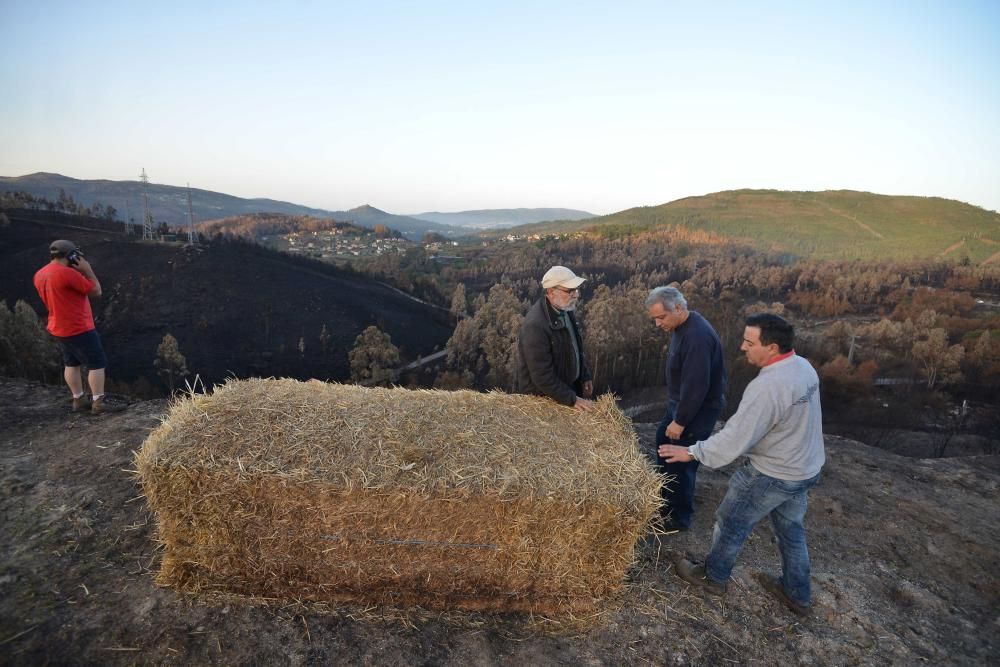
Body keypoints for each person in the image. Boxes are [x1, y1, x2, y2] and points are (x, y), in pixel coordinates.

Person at [659, 313, 824, 616]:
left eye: (750, 342)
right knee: (791, 530)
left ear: (772, 347)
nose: (742, 347)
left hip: (774, 472)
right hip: (805, 468)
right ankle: (797, 593)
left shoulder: (769, 386)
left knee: (732, 521)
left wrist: (692, 452)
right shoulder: (803, 366)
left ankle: (713, 576)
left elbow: (736, 438)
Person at [646, 286, 727, 530]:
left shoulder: (697, 337)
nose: (658, 324)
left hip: (694, 411)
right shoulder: (683, 326)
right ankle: (664, 501)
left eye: (661, 317)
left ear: (679, 309)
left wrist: (680, 421)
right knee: (664, 446)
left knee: (681, 461)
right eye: (655, 318)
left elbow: (697, 385)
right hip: (681, 405)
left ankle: (677, 518)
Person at [33, 240, 123, 414]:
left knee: (71, 363)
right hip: (78, 327)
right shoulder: (67, 274)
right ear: (71, 256)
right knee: (97, 363)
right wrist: (87, 270)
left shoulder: (40, 274)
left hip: (58, 327)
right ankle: (98, 403)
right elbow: (96, 291)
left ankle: (78, 399)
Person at [515, 266, 595, 411]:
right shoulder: (536, 325)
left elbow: (575, 346)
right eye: (570, 291)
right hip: (545, 402)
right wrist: (572, 399)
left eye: (576, 290)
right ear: (551, 292)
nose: (576, 295)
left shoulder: (564, 309)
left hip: (564, 391)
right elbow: (541, 376)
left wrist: (584, 375)